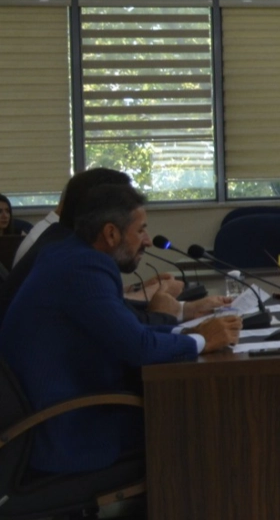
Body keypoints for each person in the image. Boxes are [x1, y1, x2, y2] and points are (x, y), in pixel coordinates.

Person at [0, 184, 239, 474]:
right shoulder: (84, 267)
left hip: (54, 418)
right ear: (111, 233)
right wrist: (203, 340)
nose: (147, 240)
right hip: (65, 433)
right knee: (205, 417)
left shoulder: (65, 253)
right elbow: (138, 347)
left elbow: (125, 328)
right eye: (141, 230)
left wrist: (184, 334)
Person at [0, 168, 227, 324]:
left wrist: (181, 310)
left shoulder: (61, 242)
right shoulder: (74, 259)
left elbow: (111, 313)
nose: (148, 241)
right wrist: (181, 322)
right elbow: (131, 339)